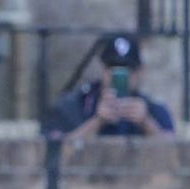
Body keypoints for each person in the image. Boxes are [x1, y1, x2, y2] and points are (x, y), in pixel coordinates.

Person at [42, 32, 175, 143]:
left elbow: (175, 155)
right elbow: (54, 153)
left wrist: (146, 123)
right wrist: (97, 121)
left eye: (128, 70)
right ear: (103, 69)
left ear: (139, 72)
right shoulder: (76, 103)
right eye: (112, 69)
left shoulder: (152, 107)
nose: (120, 76)